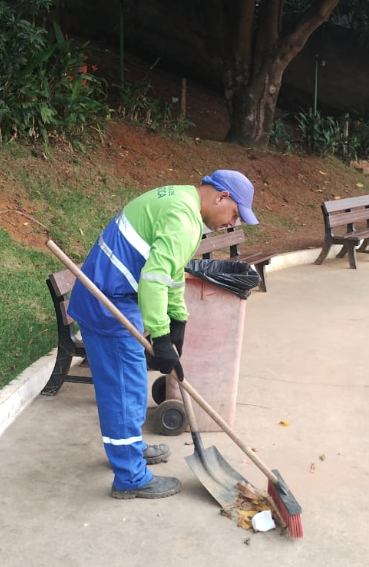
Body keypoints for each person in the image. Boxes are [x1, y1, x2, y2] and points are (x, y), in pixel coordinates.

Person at [67, 170, 258, 499]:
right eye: (235, 215)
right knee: (125, 392)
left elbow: (170, 273)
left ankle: (132, 450)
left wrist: (176, 320)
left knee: (130, 387)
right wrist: (160, 336)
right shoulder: (183, 219)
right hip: (108, 303)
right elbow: (154, 279)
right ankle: (130, 478)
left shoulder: (180, 201)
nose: (232, 224)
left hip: (114, 295)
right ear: (222, 196)